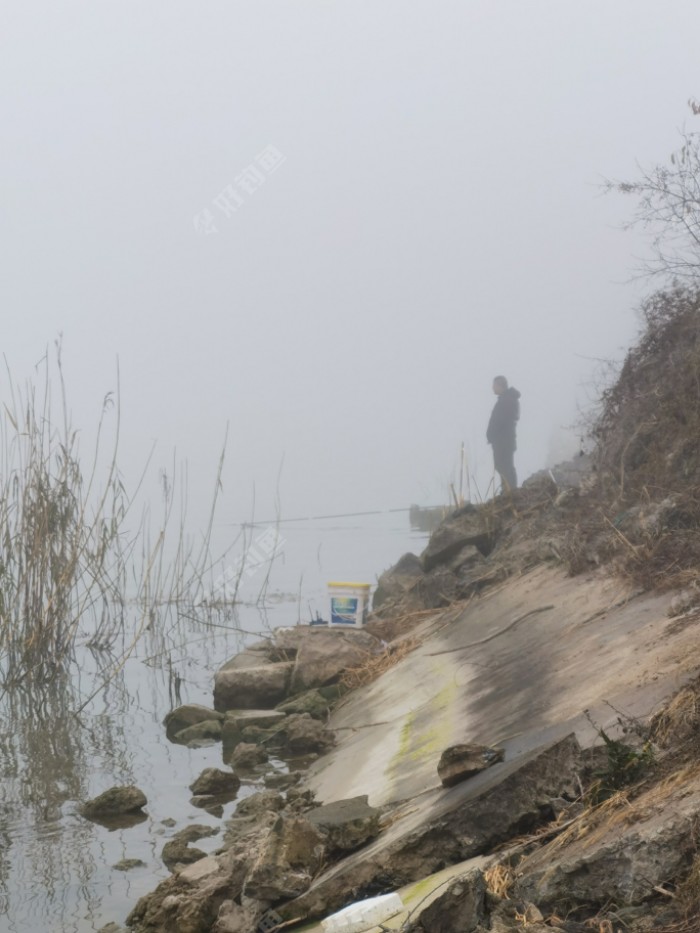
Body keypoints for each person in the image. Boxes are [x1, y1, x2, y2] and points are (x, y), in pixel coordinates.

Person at [486, 375, 520, 492]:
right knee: (503, 466)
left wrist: (493, 434)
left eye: (494, 385)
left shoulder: (506, 401)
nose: (492, 388)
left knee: (504, 466)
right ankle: (507, 490)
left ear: (500, 386)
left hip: (503, 441)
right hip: (503, 441)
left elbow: (500, 421)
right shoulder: (507, 400)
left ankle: (509, 491)